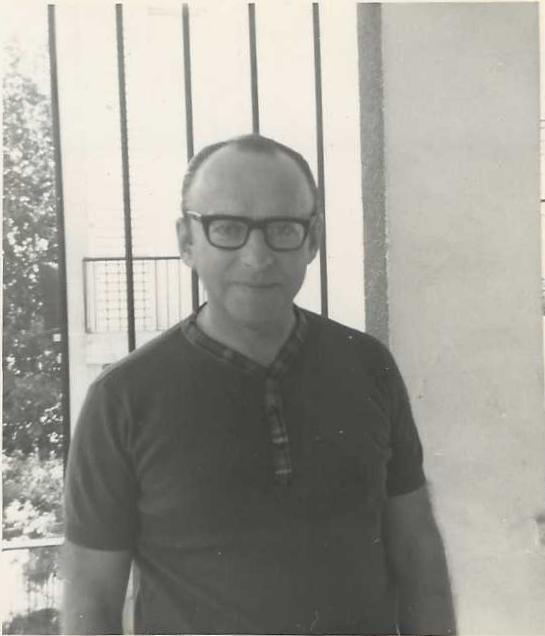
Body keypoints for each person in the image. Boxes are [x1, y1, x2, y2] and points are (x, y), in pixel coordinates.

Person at [62, 134, 456, 635]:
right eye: (227, 228)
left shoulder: (368, 366)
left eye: (282, 228)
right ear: (187, 241)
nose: (257, 256)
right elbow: (91, 601)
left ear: (312, 239)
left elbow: (417, 551)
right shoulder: (122, 398)